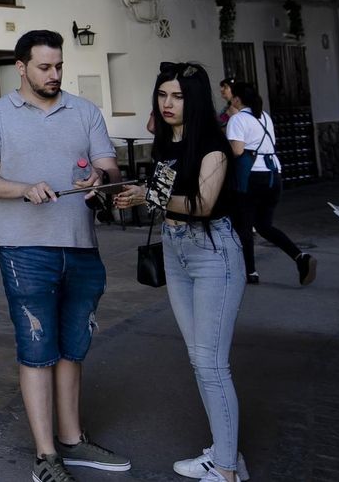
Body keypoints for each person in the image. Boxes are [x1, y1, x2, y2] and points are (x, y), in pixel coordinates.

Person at [0, 30, 129, 482]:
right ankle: (45, 456)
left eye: (58, 66)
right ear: (21, 68)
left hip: (81, 245)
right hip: (24, 249)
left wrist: (98, 177)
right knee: (38, 347)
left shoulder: (85, 111)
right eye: (44, 67)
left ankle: (73, 440)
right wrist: (23, 189)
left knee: (73, 347)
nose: (54, 74)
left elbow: (112, 168)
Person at [114, 63, 247, 482]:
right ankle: (225, 455)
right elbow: (163, 199)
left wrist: (147, 196)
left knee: (211, 364)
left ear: (195, 99)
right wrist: (135, 195)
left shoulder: (211, 143)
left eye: (178, 96)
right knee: (198, 359)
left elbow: (203, 204)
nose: (167, 104)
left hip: (213, 252)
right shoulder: (166, 143)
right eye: (162, 95)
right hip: (176, 250)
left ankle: (225, 471)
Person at [223, 82, 314, 286]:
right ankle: (300, 257)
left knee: (244, 226)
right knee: (264, 225)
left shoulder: (237, 119)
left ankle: (251, 272)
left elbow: (237, 151)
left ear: (237, 99)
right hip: (274, 174)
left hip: (251, 177)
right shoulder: (264, 116)